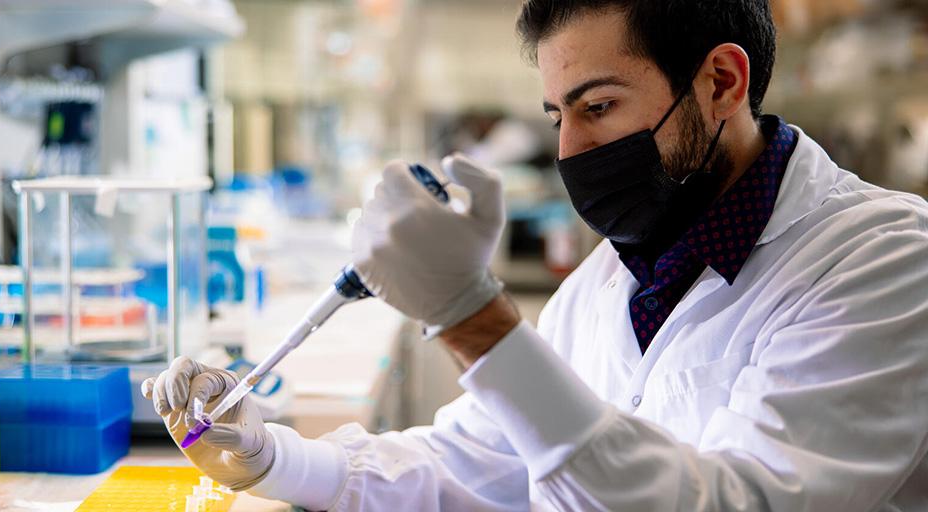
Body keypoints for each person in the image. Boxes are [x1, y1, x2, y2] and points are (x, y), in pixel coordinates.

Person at [143, 1, 928, 510]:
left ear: (721, 81)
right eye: (557, 113)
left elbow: (738, 502)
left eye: (598, 106)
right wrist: (269, 459)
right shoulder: (617, 275)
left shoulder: (883, 264)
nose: (569, 148)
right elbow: (482, 458)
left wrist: (475, 322)